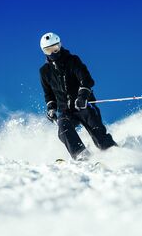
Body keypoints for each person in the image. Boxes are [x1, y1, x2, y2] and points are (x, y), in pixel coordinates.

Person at [39, 32, 117, 160]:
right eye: (49, 50)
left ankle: (114, 154)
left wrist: (82, 96)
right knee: (63, 128)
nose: (53, 53)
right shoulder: (44, 71)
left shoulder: (72, 60)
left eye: (55, 48)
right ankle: (82, 156)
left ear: (60, 45)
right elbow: (49, 94)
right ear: (44, 52)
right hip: (65, 110)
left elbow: (86, 79)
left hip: (83, 106)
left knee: (99, 136)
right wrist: (51, 108)